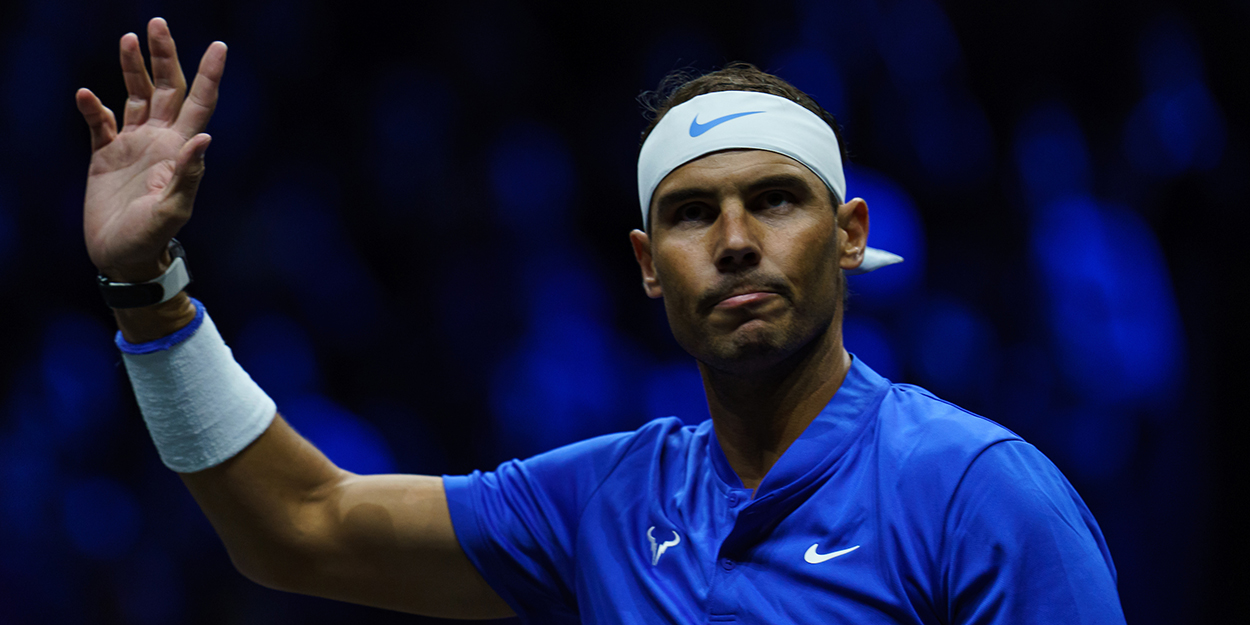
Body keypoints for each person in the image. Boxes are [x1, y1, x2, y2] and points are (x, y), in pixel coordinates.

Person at [79, 18, 1127, 624]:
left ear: (847, 234)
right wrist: (146, 286)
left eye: (773, 200)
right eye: (688, 212)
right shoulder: (606, 499)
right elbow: (299, 525)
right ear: (646, 265)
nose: (731, 240)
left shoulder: (978, 496)